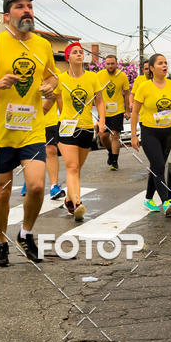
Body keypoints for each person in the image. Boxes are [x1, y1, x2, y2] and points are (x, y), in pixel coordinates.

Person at [0, 0, 59, 267]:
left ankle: (26, 232)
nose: (27, 10)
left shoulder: (42, 45)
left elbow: (52, 76)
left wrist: (51, 86)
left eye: (30, 6)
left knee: (37, 184)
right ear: (7, 16)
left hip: (31, 127)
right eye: (20, 6)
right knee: (2, 191)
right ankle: (1, 241)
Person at [130, 53, 171, 215]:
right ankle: (166, 200)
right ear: (151, 68)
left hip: (167, 132)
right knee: (159, 166)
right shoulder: (144, 87)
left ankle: (148, 198)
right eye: (160, 63)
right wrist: (133, 135)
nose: (164, 65)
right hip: (149, 132)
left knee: (156, 167)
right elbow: (135, 112)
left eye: (166, 63)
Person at [53, 42, 105, 222]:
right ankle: (77, 203)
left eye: (81, 52)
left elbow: (99, 100)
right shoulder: (61, 79)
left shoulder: (92, 77)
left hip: (86, 127)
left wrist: (102, 121)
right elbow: (58, 101)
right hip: (66, 127)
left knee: (77, 169)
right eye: (75, 52)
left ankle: (68, 198)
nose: (79, 54)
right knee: (72, 167)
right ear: (68, 58)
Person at [20, 91, 66, 200]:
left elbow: (58, 96)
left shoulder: (53, 76)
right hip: (29, 119)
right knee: (30, 153)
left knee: (51, 151)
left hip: (49, 121)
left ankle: (54, 187)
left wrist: (63, 118)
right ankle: (29, 181)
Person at [96, 54, 130, 170]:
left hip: (118, 110)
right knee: (103, 136)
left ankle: (115, 161)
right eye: (108, 64)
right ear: (105, 64)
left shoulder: (122, 76)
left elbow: (126, 94)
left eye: (112, 63)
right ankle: (110, 152)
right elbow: (95, 93)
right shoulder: (99, 75)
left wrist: (127, 110)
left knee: (115, 135)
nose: (110, 66)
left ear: (116, 64)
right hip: (103, 112)